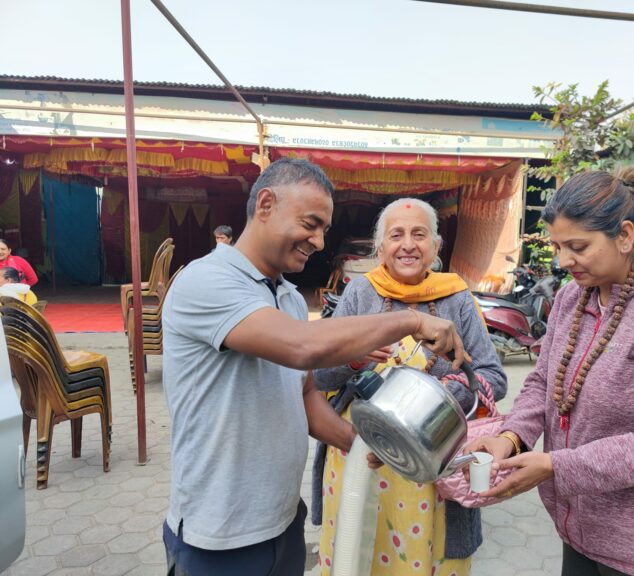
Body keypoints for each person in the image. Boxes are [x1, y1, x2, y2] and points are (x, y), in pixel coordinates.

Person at [161, 158, 468, 576]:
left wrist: (361, 443)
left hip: (284, 520)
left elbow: (303, 394)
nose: (320, 241)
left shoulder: (287, 297)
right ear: (265, 204)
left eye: (324, 228)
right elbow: (301, 347)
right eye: (311, 224)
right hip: (218, 533)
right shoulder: (207, 281)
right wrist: (411, 321)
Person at [466, 167, 634, 576]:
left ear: (625, 236)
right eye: (558, 246)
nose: (563, 261)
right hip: (583, 524)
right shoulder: (572, 298)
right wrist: (511, 437)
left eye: (577, 246)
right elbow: (543, 381)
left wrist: (556, 466)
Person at [312, 197, 507, 576]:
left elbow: (493, 377)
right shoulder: (360, 293)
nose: (407, 245)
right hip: (360, 452)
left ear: (436, 246)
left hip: (432, 459)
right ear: (380, 247)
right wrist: (354, 360)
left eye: (419, 235)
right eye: (396, 235)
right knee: (354, 553)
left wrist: (436, 398)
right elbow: (318, 376)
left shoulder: (456, 296)